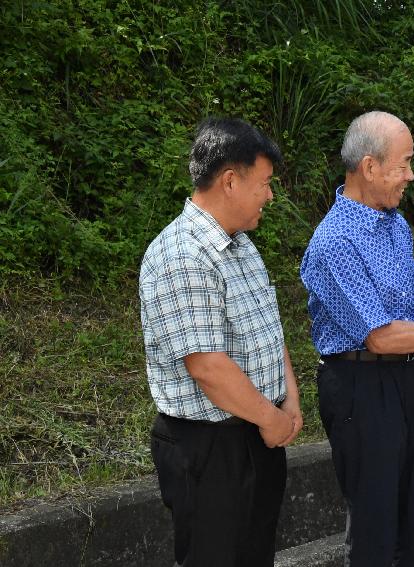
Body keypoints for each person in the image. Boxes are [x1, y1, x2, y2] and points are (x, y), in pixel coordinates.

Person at [300, 111, 414, 567]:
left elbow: (413, 306)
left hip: (408, 378)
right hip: (360, 387)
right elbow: (379, 336)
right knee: (375, 524)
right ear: (369, 167)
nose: (410, 176)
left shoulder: (392, 222)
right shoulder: (334, 241)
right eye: (403, 164)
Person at [139, 117, 302, 567]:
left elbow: (269, 325)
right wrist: (271, 417)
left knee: (256, 554)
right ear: (230, 180)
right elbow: (207, 366)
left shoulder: (243, 244)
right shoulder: (182, 254)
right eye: (265, 183)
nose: (270, 195)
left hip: (256, 434)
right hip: (208, 449)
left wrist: (288, 397)